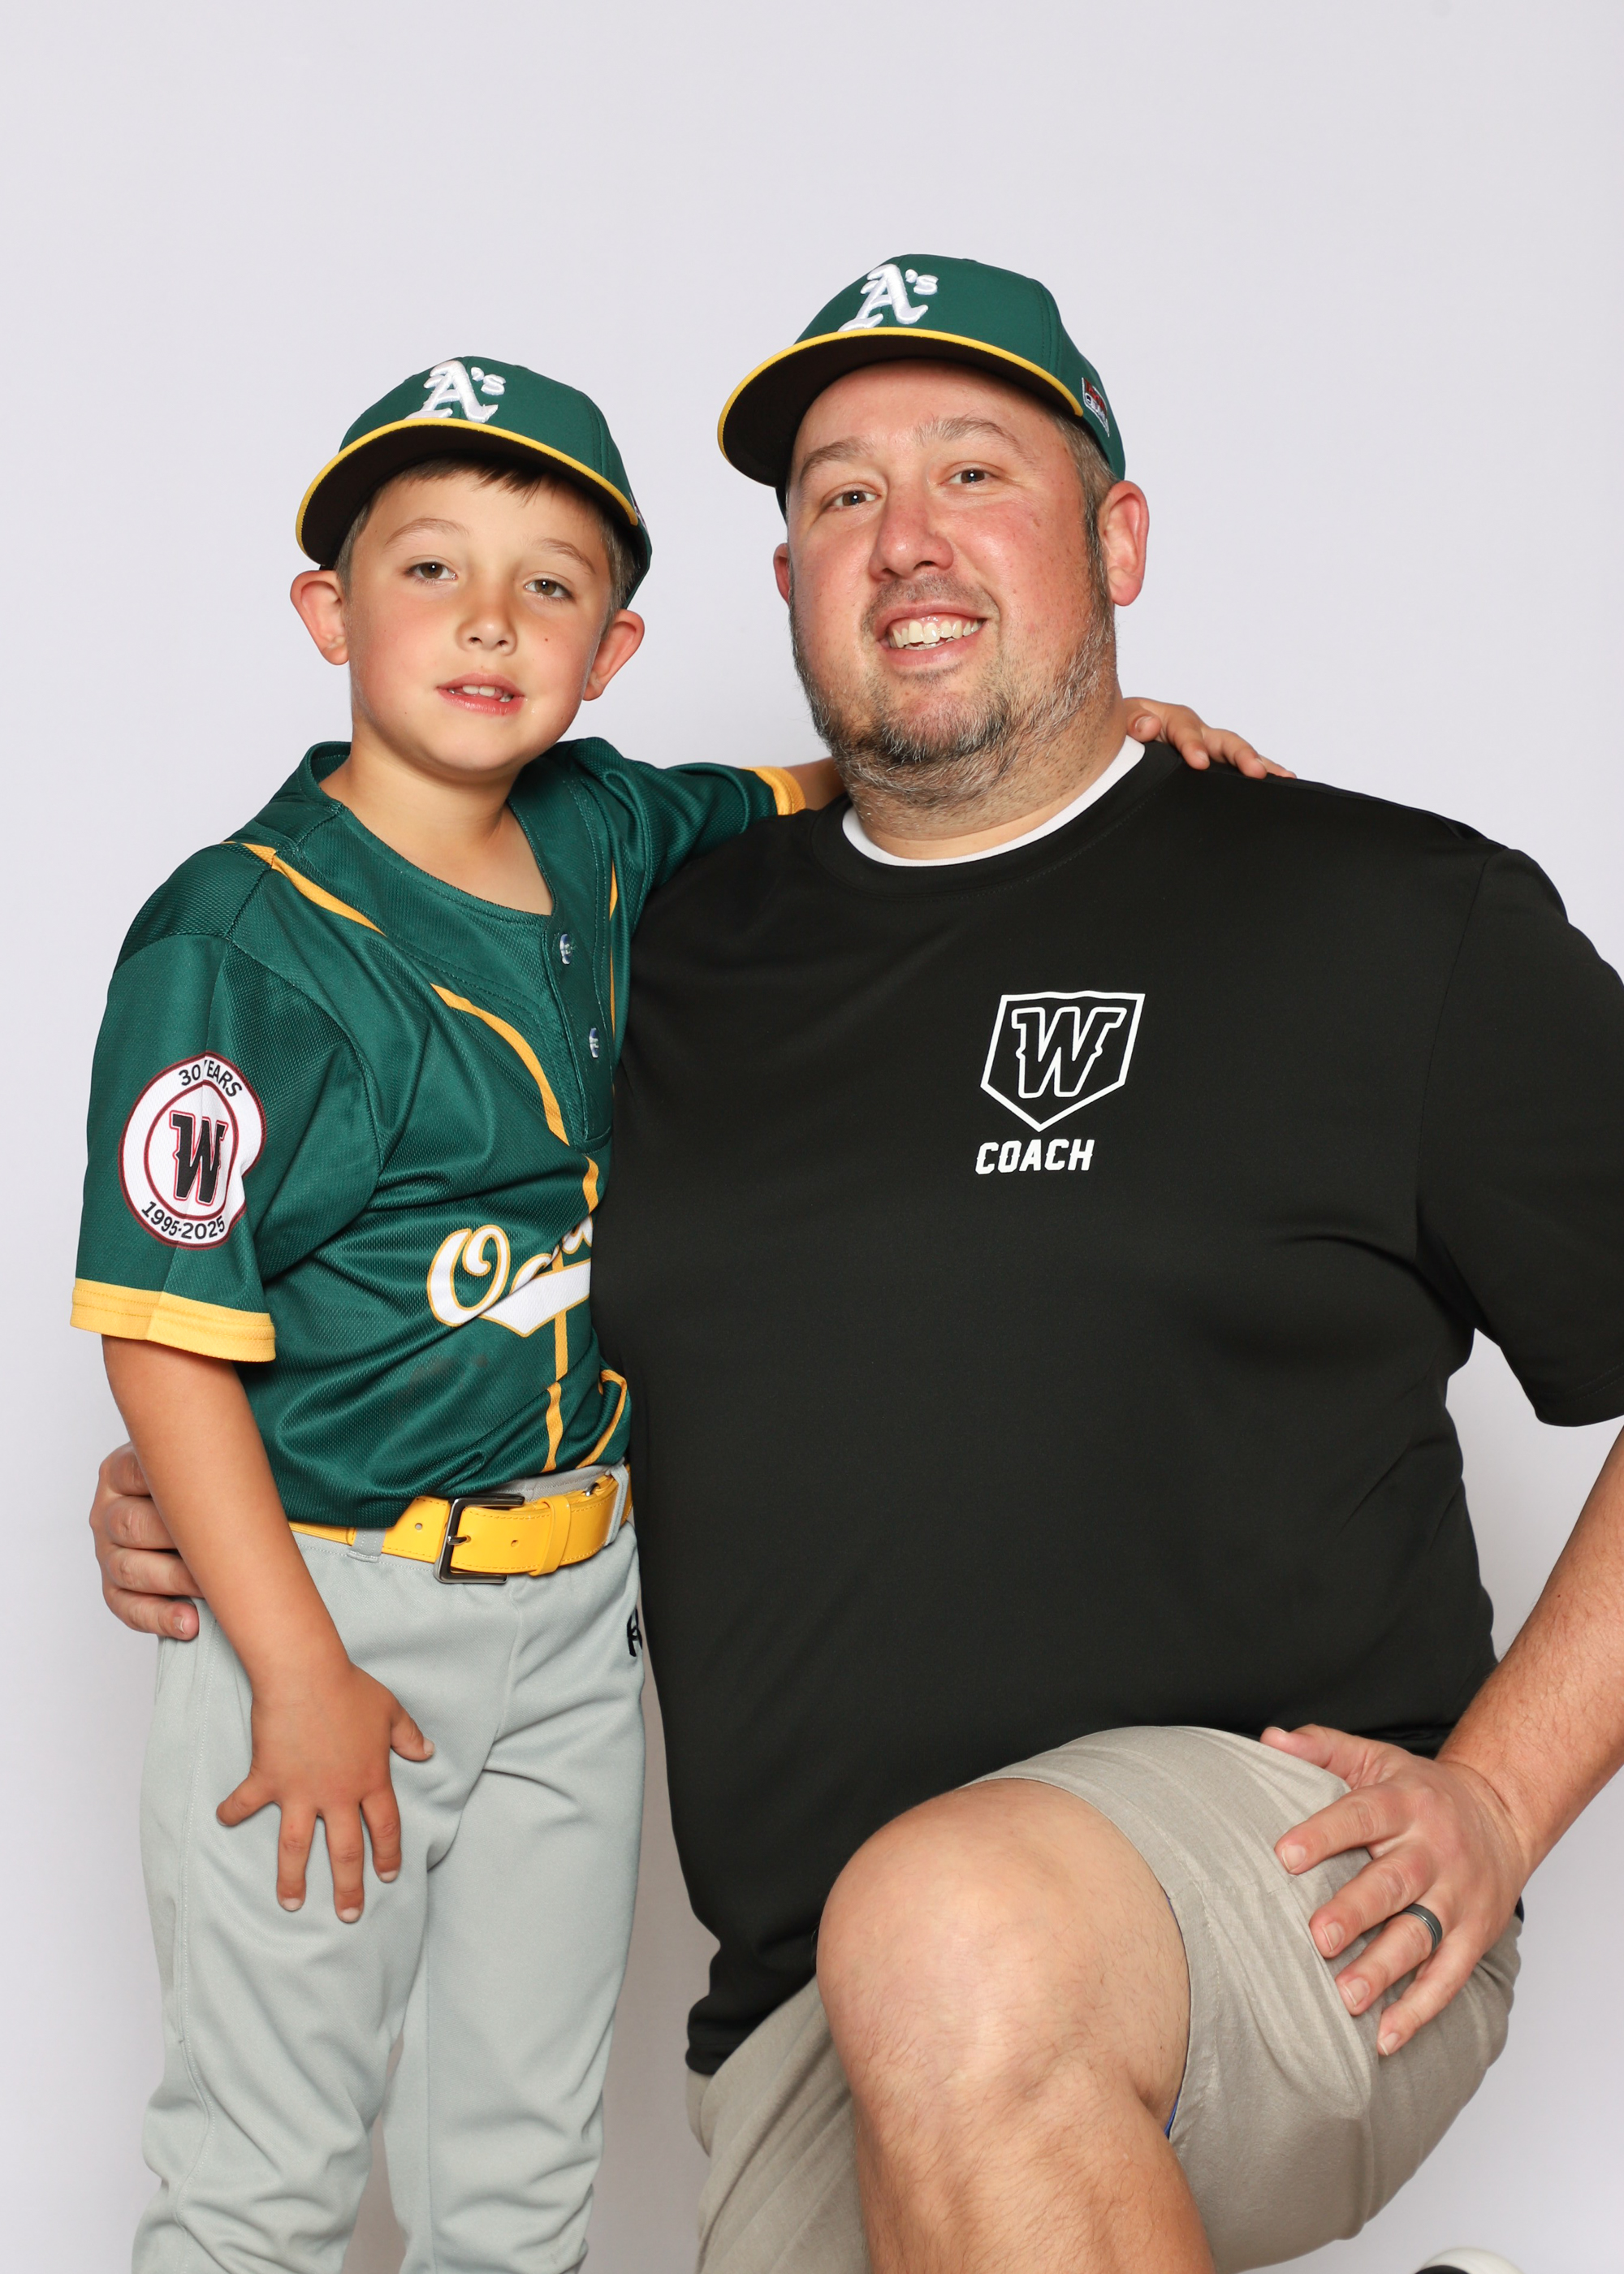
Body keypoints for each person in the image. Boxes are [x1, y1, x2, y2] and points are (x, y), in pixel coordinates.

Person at [77, 341, 1248, 2274]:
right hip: (330, 1588)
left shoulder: (609, 831)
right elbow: (165, 1328)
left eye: (547, 586)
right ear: (325, 610)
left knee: (517, 2177)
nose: (488, 620)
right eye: (427, 567)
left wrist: (1094, 736)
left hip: (571, 1607)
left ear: (612, 649)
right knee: (265, 2173)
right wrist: (290, 1664)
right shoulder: (235, 940)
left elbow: (827, 781)